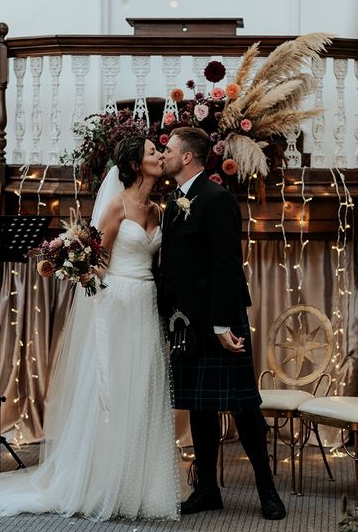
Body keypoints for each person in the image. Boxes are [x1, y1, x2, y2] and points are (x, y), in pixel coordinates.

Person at [0, 136, 180, 521]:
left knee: (141, 387)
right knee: (111, 390)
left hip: (146, 305)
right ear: (133, 166)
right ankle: (101, 481)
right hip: (116, 303)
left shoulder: (159, 211)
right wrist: (76, 263)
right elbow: (99, 261)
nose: (160, 155)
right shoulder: (116, 205)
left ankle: (138, 484)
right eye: (151, 152)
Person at [159, 126, 286, 520]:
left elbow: (228, 266)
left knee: (243, 407)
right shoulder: (173, 200)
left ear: (187, 158)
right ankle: (207, 490)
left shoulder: (218, 199)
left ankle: (268, 491)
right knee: (199, 409)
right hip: (187, 322)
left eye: (169, 150)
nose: (164, 155)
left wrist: (219, 325)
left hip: (220, 321)